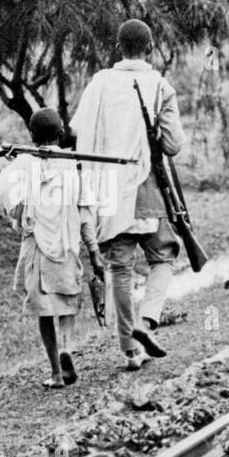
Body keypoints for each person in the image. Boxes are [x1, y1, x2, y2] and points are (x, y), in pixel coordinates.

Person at [71, 18, 186, 370]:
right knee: (164, 257)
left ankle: (130, 351)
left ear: (118, 48)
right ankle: (147, 321)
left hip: (106, 189)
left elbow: (77, 129)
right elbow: (173, 144)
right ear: (150, 48)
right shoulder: (159, 86)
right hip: (146, 186)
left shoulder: (99, 83)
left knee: (119, 268)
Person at [0, 108, 104, 388]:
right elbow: (85, 216)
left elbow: (12, 204)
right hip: (68, 244)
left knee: (44, 309)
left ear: (32, 136)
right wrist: (93, 251)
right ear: (60, 134)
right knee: (68, 301)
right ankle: (67, 345)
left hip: (36, 248)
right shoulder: (72, 167)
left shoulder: (22, 165)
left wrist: (5, 167)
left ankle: (56, 371)